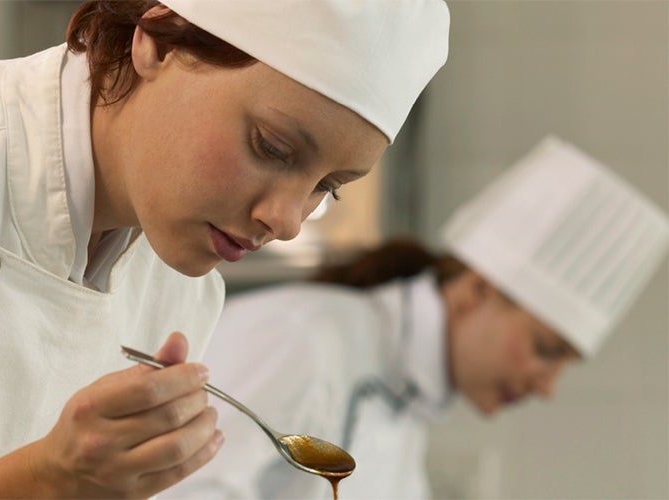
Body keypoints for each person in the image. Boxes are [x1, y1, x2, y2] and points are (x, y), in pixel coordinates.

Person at [0, 0, 449, 498]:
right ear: (157, 41)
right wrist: (48, 480)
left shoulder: (182, 286)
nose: (286, 221)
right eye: (272, 148)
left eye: (328, 189)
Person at [160, 136, 669, 500]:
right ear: (478, 289)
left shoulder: (410, 396)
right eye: (546, 349)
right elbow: (180, 488)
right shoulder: (308, 338)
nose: (548, 387)